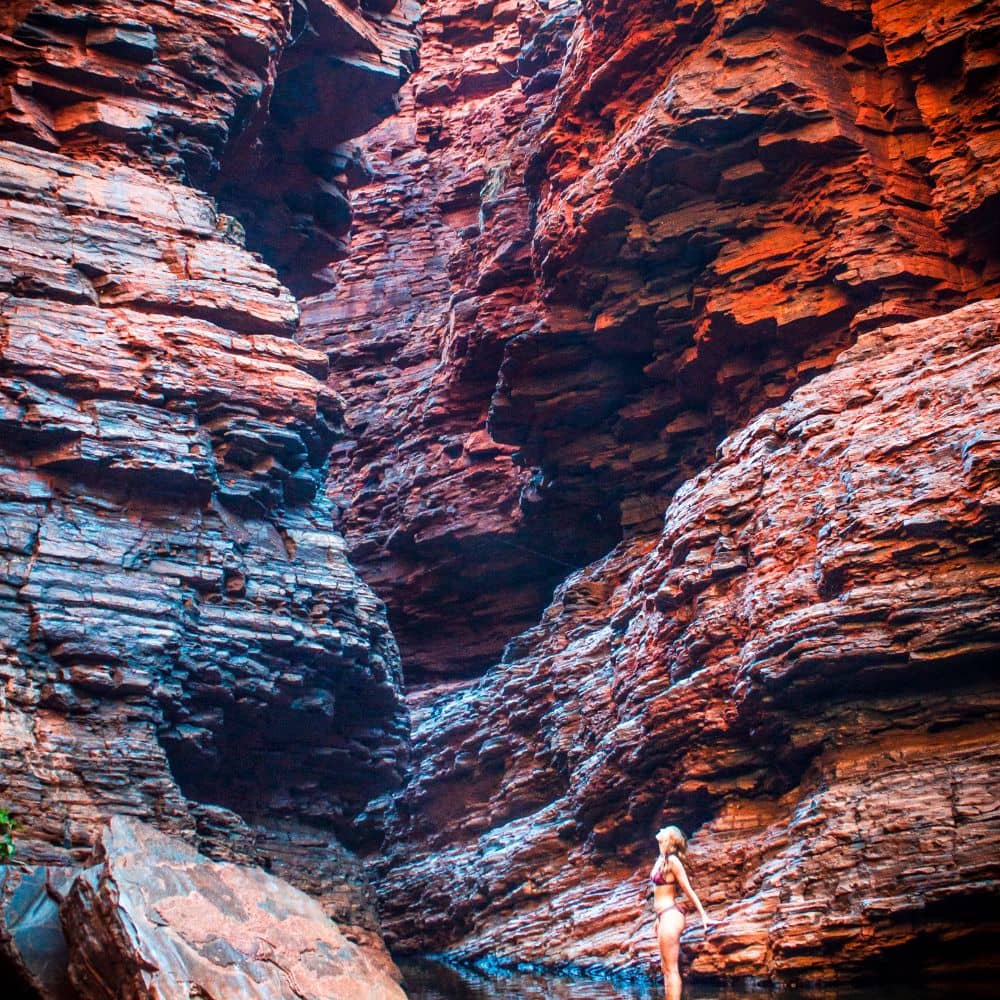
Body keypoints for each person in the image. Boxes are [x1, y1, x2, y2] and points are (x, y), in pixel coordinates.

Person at [650, 825, 709, 1000]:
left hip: (670, 915)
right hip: (663, 916)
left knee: (671, 970)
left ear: (669, 838)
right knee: (665, 969)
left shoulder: (673, 861)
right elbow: (658, 893)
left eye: (665, 829)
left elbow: (687, 889)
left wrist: (704, 915)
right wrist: (656, 918)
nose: (660, 829)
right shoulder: (661, 858)